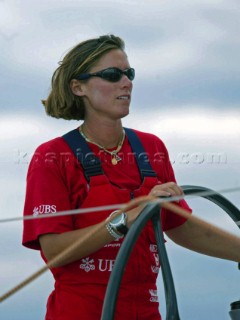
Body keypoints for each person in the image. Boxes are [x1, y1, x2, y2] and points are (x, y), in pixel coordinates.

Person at [22, 35, 240, 320]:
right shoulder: (52, 156)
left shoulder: (152, 148)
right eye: (112, 75)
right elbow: (54, 251)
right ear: (78, 87)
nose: (126, 82)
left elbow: (180, 226)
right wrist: (123, 220)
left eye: (129, 74)